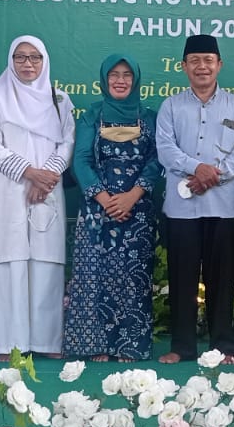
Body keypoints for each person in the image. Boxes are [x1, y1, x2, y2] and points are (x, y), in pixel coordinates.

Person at [155, 34, 234, 364]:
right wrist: (196, 168)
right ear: (183, 66)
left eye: (208, 60)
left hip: (221, 207)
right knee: (181, 279)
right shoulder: (171, 106)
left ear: (219, 65)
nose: (202, 67)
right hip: (181, 208)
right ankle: (182, 347)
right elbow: (165, 149)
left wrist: (214, 175)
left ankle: (223, 347)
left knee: (221, 280)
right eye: (194, 61)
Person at [0, 35, 74, 359]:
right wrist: (29, 172)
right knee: (11, 261)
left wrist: (45, 178)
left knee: (46, 262)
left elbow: (67, 144)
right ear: (11, 60)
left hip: (47, 189)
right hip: (9, 189)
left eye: (35, 57)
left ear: (44, 61)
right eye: (20, 57)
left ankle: (47, 343)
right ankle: (10, 344)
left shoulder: (59, 100)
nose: (28, 63)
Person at [64, 54, 162, 362]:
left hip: (137, 211)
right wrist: (105, 199)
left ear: (136, 79)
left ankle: (130, 345)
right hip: (98, 212)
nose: (120, 80)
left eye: (126, 75)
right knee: (94, 276)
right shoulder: (91, 115)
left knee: (133, 279)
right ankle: (95, 346)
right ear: (105, 80)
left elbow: (157, 160)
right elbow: (81, 161)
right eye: (114, 75)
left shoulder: (149, 117)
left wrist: (132, 195)